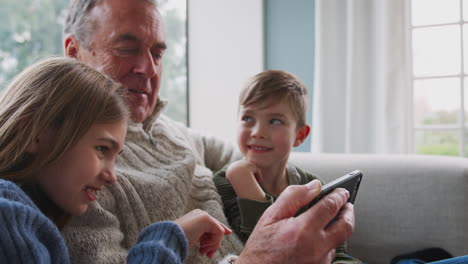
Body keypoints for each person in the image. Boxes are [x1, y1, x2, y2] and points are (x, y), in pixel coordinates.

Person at [61, 0, 356, 263]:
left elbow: (252, 155)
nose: (149, 68)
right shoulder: (73, 163)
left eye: (158, 53)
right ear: (75, 52)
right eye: (127, 49)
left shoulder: (170, 130)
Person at [0, 57, 232, 263]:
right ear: (31, 133)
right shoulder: (7, 215)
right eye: (102, 149)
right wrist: (168, 239)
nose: (112, 176)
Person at [213, 70, 361, 263]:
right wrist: (244, 182)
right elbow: (259, 249)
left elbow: (338, 253)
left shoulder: (313, 187)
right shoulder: (225, 183)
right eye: (247, 118)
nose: (258, 132)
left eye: (275, 121)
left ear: (300, 135)